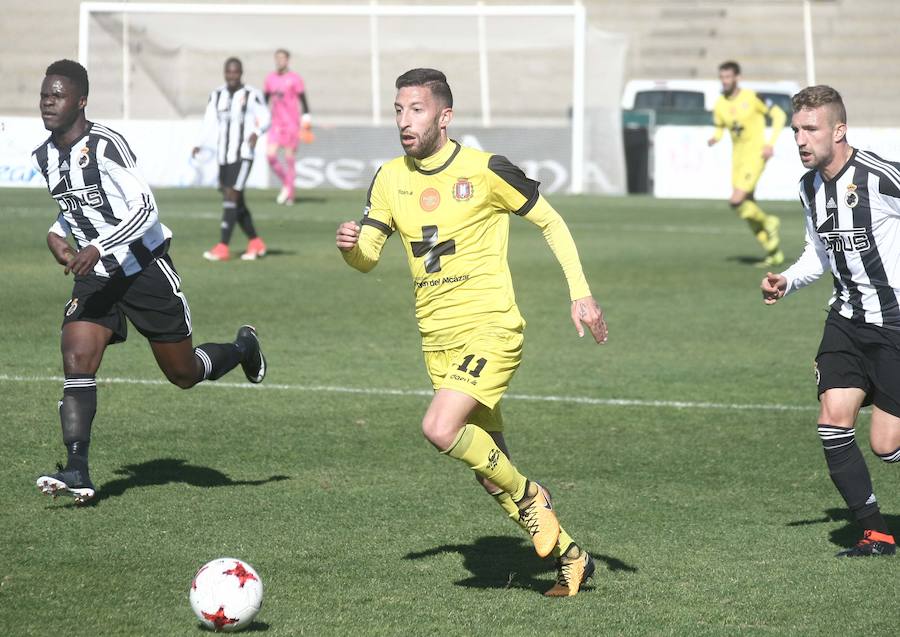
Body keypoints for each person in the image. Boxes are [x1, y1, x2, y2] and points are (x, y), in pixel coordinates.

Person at [336, 68, 608, 596]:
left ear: (444, 116)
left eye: (415, 109)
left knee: (440, 428)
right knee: (489, 471)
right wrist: (350, 246)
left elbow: (551, 221)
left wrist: (581, 292)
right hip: (437, 341)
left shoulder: (486, 170)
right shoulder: (389, 178)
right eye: (397, 109)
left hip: (490, 328)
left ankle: (533, 497)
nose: (404, 120)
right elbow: (368, 258)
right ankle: (573, 557)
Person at [33, 59, 267, 504]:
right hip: (97, 279)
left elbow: (144, 211)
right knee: (76, 359)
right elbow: (74, 206)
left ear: (80, 100)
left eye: (57, 94)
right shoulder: (44, 156)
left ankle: (242, 348)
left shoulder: (105, 145)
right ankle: (78, 469)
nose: (48, 101)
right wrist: (56, 234)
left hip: (144, 272)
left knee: (183, 373)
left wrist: (99, 246)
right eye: (44, 94)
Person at [761, 85, 900, 556]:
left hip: (895, 325)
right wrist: (787, 280)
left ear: (839, 130)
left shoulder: (880, 177)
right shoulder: (808, 188)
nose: (800, 139)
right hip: (845, 320)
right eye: (796, 130)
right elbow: (817, 255)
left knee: (886, 446)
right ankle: (876, 532)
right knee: (832, 422)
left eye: (810, 129)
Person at [708, 60, 787, 267]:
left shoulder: (752, 97)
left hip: (755, 155)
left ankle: (770, 222)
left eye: (728, 77)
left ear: (737, 78)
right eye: (722, 77)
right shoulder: (720, 104)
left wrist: (770, 144)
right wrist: (715, 138)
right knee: (745, 208)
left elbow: (779, 115)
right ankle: (773, 252)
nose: (724, 81)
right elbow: (719, 127)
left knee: (736, 201)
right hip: (737, 159)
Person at [193, 57, 270, 261]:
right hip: (224, 156)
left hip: (243, 154)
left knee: (232, 196)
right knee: (237, 201)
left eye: (235, 72)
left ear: (241, 73)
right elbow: (209, 120)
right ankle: (256, 242)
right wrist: (198, 143)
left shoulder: (252, 94)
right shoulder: (217, 95)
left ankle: (223, 246)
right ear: (225, 73)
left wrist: (257, 131)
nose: (232, 75)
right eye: (229, 72)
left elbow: (266, 116)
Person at [264, 48, 312, 206]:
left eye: (282, 58)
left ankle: (290, 195)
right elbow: (265, 101)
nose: (279, 61)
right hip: (276, 124)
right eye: (277, 58)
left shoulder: (295, 79)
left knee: (289, 158)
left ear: (287, 60)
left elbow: (303, 101)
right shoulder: (270, 79)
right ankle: (287, 184)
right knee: (270, 155)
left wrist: (306, 121)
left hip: (292, 123)